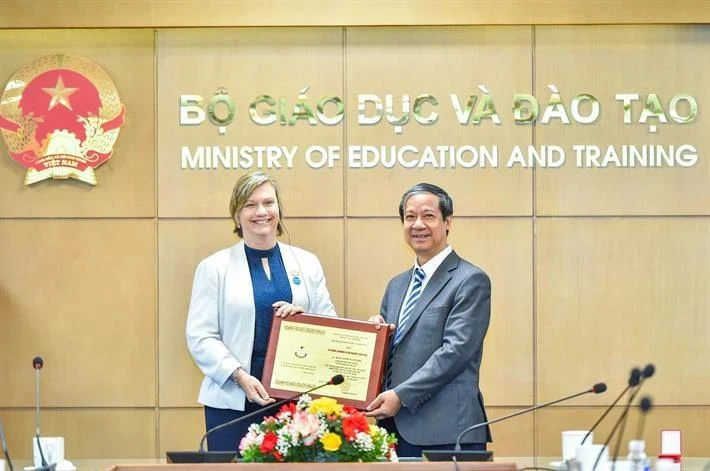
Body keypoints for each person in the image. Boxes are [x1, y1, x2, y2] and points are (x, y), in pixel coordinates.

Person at [186, 171, 336, 452]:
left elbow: (330, 327)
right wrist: (239, 376)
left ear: (279, 210)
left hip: (296, 403)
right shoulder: (214, 268)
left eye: (268, 203)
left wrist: (306, 320)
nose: (261, 212)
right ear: (237, 214)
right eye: (250, 205)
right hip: (233, 401)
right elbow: (200, 336)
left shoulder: (308, 263)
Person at [366, 182, 492, 457]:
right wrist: (376, 338)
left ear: (447, 222)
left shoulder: (470, 280)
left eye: (428, 216)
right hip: (394, 429)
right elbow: (394, 355)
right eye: (410, 217)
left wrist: (400, 395)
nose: (417, 224)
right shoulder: (397, 285)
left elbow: (455, 352)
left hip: (447, 431)